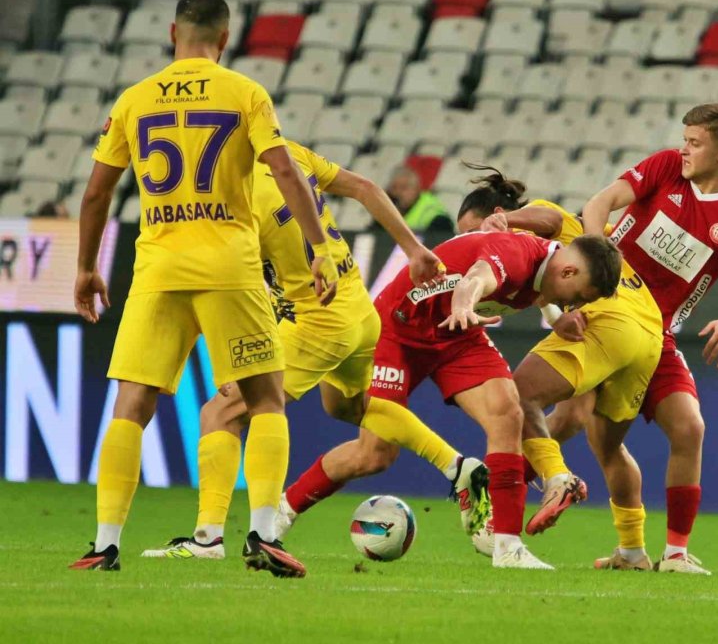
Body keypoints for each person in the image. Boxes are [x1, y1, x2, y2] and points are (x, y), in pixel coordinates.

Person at [69, 0, 338, 578]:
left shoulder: (135, 100)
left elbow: (95, 193)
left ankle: (103, 544)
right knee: (265, 398)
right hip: (228, 267)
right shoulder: (244, 93)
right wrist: (319, 247)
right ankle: (264, 536)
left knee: (130, 406)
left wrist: (87, 266)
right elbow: (284, 170)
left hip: (158, 267)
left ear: (173, 33)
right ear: (224, 37)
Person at [141, 141, 487, 559]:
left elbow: (241, 284)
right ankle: (458, 467)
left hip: (318, 319)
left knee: (221, 412)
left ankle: (208, 539)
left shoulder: (229, 194)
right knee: (350, 409)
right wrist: (413, 248)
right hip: (359, 310)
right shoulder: (285, 154)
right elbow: (364, 187)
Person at [277, 226, 622, 570]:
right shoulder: (515, 257)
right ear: (569, 271)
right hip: (400, 328)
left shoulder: (551, 264)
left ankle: (507, 546)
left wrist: (556, 318)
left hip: (456, 335)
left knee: (508, 412)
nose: (573, 304)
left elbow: (532, 283)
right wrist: (463, 301)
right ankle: (285, 510)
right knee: (374, 454)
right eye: (576, 297)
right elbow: (477, 277)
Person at [544, 103, 718, 574]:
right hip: (603, 316)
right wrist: (597, 260)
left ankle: (672, 554)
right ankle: (497, 485)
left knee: (687, 428)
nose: (685, 149)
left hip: (656, 336)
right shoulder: (666, 166)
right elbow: (599, 204)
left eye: (696, 143)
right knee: (570, 420)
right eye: (685, 139)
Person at [455, 167, 664, 560]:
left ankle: (557, 480)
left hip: (610, 321)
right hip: (647, 333)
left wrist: (509, 221)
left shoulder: (533, 224)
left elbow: (549, 219)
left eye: (474, 230)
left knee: (519, 396)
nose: (471, 240)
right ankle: (632, 550)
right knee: (602, 442)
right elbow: (544, 291)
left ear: (495, 213)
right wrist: (556, 317)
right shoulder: (535, 264)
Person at [386, 165, 454, 235]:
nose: (398, 193)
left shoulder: (431, 210)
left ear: (416, 188)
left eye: (404, 188)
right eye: (394, 188)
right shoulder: (390, 209)